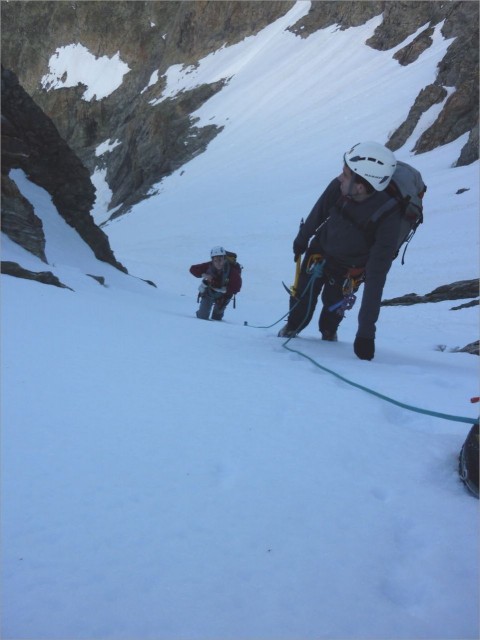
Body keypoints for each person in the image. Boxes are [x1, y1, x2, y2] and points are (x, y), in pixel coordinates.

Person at [278, 141, 402, 361]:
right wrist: (302, 239)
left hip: (348, 271)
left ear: (361, 186)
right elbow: (319, 210)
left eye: (345, 174)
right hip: (319, 252)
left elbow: (376, 278)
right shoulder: (341, 187)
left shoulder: (388, 218)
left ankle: (328, 332)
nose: (339, 178)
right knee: (302, 301)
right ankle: (293, 327)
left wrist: (366, 334)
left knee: (332, 309)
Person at [190, 246, 242, 321]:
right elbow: (192, 269)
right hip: (210, 293)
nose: (218, 263)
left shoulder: (232, 271)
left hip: (224, 296)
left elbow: (237, 287)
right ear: (212, 261)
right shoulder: (209, 266)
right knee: (202, 317)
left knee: (217, 318)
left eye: (220, 260)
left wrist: (225, 290)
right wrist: (203, 275)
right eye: (215, 260)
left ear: (224, 259)